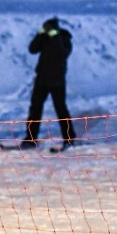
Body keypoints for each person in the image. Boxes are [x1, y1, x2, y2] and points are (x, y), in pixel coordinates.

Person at [22, 17, 76, 152]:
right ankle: (30, 138)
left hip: (57, 81)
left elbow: (62, 52)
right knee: (35, 109)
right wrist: (41, 33)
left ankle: (69, 138)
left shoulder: (64, 39)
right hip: (42, 79)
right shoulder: (44, 38)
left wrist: (54, 35)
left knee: (61, 109)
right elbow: (32, 49)